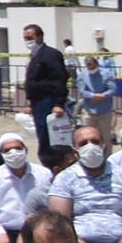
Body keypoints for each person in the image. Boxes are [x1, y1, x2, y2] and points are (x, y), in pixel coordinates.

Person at [51, 121, 122, 243]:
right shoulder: (64, 179)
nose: (90, 146)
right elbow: (60, 221)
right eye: (83, 143)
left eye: (95, 141)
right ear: (75, 151)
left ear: (104, 145)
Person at [0, 130, 52, 243]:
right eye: (7, 150)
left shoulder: (43, 174)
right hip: (7, 231)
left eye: (18, 148)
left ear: (25, 150)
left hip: (37, 230)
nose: (13, 153)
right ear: (1, 154)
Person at [24, 21, 73, 168]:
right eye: (25, 38)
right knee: (42, 136)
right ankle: (48, 165)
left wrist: (59, 103)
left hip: (49, 102)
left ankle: (55, 165)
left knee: (51, 138)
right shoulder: (34, 55)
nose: (28, 41)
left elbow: (59, 79)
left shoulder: (50, 54)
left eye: (30, 37)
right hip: (38, 103)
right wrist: (31, 104)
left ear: (39, 36)